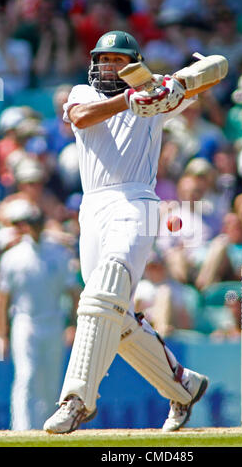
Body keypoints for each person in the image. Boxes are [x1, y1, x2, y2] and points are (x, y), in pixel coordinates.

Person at [43, 30, 227, 434]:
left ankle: (76, 401)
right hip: (92, 208)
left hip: (138, 202)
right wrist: (131, 98)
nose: (108, 66)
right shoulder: (84, 93)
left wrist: (174, 84)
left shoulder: (156, 97)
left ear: (134, 63)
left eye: (116, 60)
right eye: (102, 60)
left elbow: (216, 69)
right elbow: (80, 118)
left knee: (105, 291)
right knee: (113, 316)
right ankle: (183, 386)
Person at [0, 198, 80, 430]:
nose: (30, 227)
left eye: (34, 222)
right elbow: (3, 299)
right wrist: (2, 334)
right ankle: (22, 429)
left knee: (51, 381)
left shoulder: (59, 254)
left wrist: (72, 324)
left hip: (53, 321)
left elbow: (73, 292)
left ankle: (49, 429)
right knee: (27, 376)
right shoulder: (12, 257)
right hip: (25, 322)